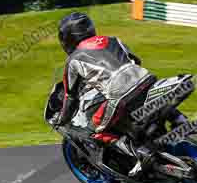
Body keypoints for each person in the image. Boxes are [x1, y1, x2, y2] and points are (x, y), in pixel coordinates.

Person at [52, 12, 156, 148]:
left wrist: (62, 120)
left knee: (91, 132)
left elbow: (70, 97)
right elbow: (136, 61)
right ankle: (180, 121)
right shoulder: (113, 40)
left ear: (69, 37)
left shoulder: (73, 60)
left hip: (120, 97)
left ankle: (140, 154)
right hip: (147, 79)